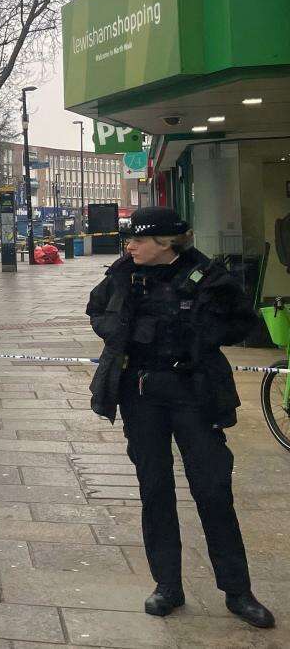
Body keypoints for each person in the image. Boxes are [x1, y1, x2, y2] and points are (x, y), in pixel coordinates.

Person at [86, 206, 275, 628]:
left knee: (212, 490)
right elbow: (96, 312)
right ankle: (167, 585)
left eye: (139, 239)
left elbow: (239, 324)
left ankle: (238, 591)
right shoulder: (123, 274)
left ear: (167, 243)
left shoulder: (208, 276)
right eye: (129, 239)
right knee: (155, 489)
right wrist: (121, 330)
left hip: (194, 392)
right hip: (141, 393)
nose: (130, 246)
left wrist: (197, 329)